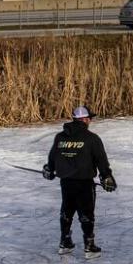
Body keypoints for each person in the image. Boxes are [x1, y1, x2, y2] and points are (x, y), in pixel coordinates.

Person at [43, 105, 117, 256]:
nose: (90, 120)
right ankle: (89, 246)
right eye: (89, 118)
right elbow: (101, 161)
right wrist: (106, 176)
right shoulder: (92, 138)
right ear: (84, 119)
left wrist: (49, 169)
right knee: (86, 213)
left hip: (66, 182)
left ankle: (65, 243)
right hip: (84, 183)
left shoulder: (60, 137)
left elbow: (52, 158)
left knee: (66, 212)